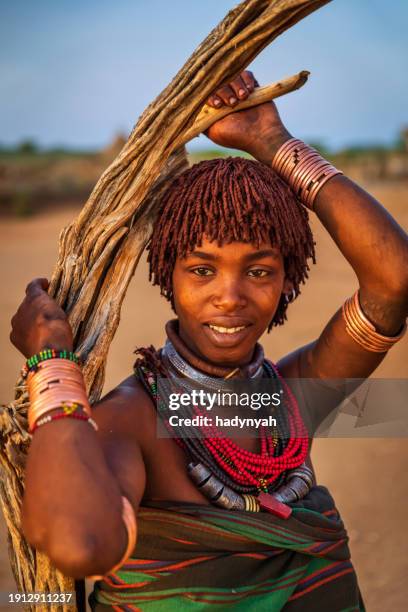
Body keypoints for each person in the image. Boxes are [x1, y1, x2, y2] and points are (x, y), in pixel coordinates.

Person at [10, 71, 408, 610]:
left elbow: (393, 280)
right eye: (201, 270)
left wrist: (273, 143)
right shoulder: (128, 420)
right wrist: (52, 365)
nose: (231, 297)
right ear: (166, 275)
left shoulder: (287, 401)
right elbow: (79, 543)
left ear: (289, 278)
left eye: (260, 271)